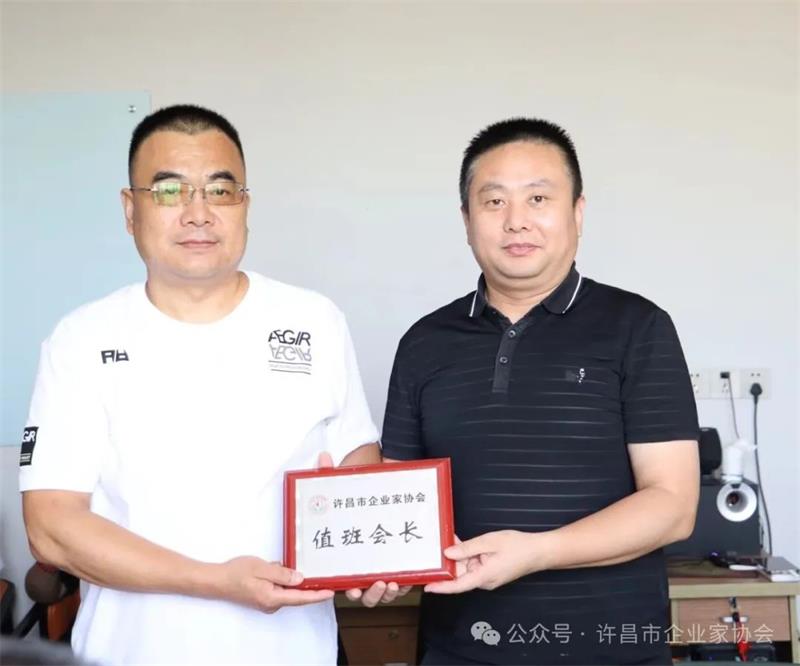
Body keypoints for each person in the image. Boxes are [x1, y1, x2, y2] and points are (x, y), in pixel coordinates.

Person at [19, 104, 402, 666]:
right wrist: (214, 580)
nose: (198, 214)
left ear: (244, 205)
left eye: (220, 191)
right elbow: (52, 527)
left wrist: (375, 555)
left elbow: (356, 460)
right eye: (169, 191)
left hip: (293, 652)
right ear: (130, 210)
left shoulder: (314, 321)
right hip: (130, 653)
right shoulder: (81, 339)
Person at [381, 118, 700, 665]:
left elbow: (673, 506)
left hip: (610, 651)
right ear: (466, 221)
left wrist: (537, 552)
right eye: (494, 201)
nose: (516, 221)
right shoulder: (423, 343)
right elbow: (397, 497)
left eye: (538, 198)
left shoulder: (638, 327)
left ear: (577, 212)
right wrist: (369, 553)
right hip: (460, 649)